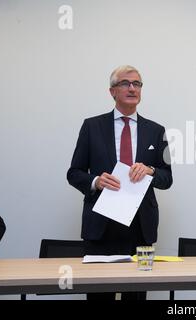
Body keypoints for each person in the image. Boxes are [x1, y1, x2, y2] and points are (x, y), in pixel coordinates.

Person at [67, 65, 173, 300]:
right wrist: (95, 180)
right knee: (99, 296)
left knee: (136, 296)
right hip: (100, 225)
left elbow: (167, 178)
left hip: (141, 228)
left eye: (137, 84)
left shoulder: (157, 131)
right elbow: (73, 173)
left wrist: (150, 170)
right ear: (112, 91)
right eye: (125, 83)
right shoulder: (91, 126)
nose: (132, 88)